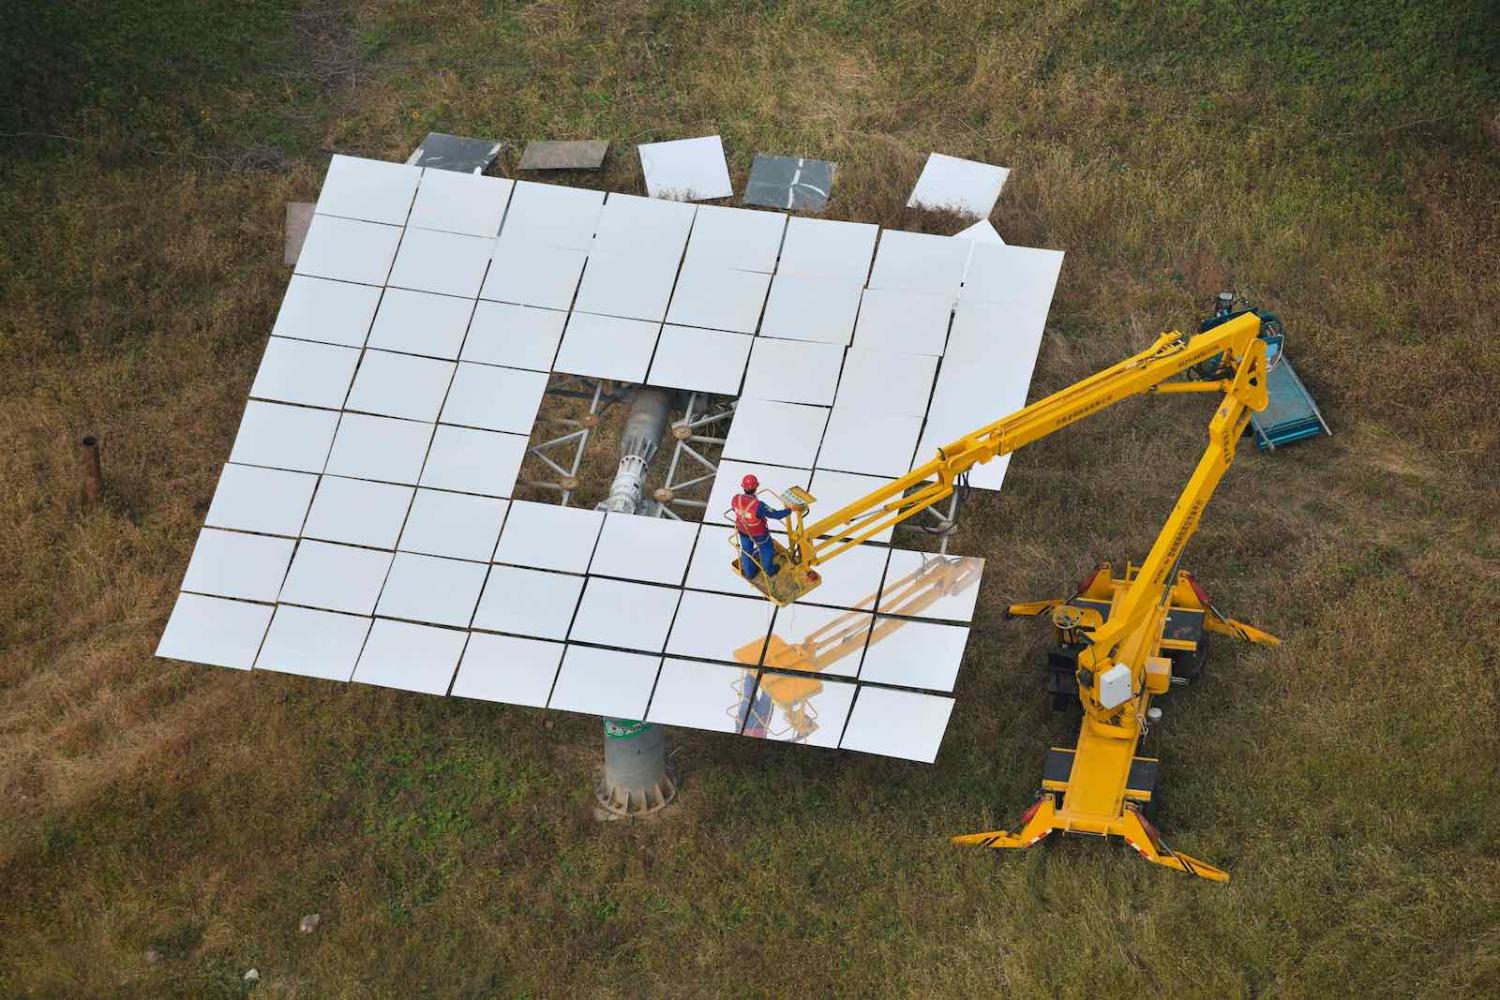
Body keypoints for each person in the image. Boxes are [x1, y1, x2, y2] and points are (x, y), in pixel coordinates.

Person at [730, 473, 790, 581]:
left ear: (743, 487)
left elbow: (736, 510)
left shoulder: (735, 499)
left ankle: (750, 572)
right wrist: (790, 509)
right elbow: (776, 515)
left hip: (743, 531)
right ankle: (769, 570)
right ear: (756, 487)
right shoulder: (758, 506)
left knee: (746, 551)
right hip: (759, 534)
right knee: (767, 550)